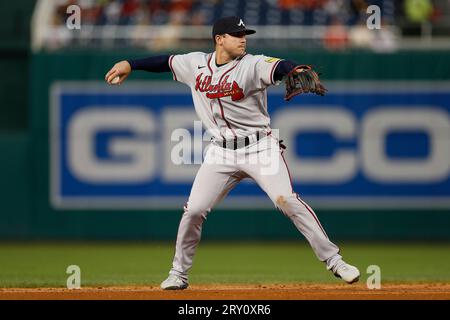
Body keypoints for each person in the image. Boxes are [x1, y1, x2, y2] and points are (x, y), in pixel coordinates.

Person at [105, 16, 360, 290]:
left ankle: (335, 261)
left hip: (260, 147)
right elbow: (164, 62)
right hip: (220, 152)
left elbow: (278, 67)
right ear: (219, 39)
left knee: (286, 199)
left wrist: (294, 69)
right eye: (236, 34)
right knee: (194, 211)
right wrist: (129, 64)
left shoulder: (252, 64)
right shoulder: (195, 64)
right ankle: (178, 273)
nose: (243, 38)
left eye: (244, 34)